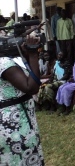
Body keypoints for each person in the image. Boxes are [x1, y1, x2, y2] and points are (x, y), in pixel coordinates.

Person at [0, 34, 45, 165]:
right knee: (23, 159)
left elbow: (32, 75)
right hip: (15, 125)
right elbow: (31, 86)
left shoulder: (9, 61)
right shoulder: (5, 64)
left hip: (13, 121)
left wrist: (26, 55)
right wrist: (32, 54)